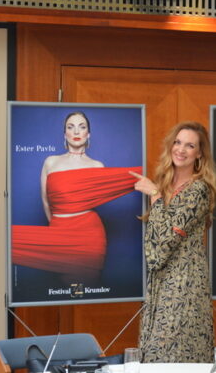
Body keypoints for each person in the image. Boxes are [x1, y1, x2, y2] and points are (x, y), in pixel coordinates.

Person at [12, 111, 141, 285]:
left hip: (89, 236)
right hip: (59, 232)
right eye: (70, 127)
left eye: (82, 127)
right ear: (65, 134)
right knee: (62, 291)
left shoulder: (97, 166)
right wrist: (57, 231)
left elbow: (126, 180)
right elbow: (45, 202)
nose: (76, 131)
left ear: (88, 134)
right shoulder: (51, 162)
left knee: (84, 292)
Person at [131, 121, 216, 363]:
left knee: (174, 356)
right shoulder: (164, 185)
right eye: (178, 142)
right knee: (154, 357)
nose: (181, 149)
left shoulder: (198, 190)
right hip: (160, 286)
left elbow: (164, 245)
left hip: (184, 287)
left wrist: (154, 195)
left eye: (190, 145)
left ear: (199, 153)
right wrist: (158, 193)